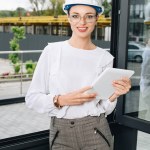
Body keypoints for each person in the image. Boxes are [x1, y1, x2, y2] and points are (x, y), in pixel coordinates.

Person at [25, 0, 131, 149]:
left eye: (89, 16)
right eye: (75, 16)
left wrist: (114, 95)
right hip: (61, 133)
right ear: (68, 18)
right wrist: (60, 100)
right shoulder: (52, 52)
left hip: (97, 131)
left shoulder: (105, 58)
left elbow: (104, 108)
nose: (82, 22)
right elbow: (32, 99)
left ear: (96, 19)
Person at [139, 38, 150, 120]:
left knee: (145, 96)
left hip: (145, 79)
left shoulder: (147, 51)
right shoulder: (147, 51)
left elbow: (145, 65)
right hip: (145, 79)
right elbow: (145, 65)